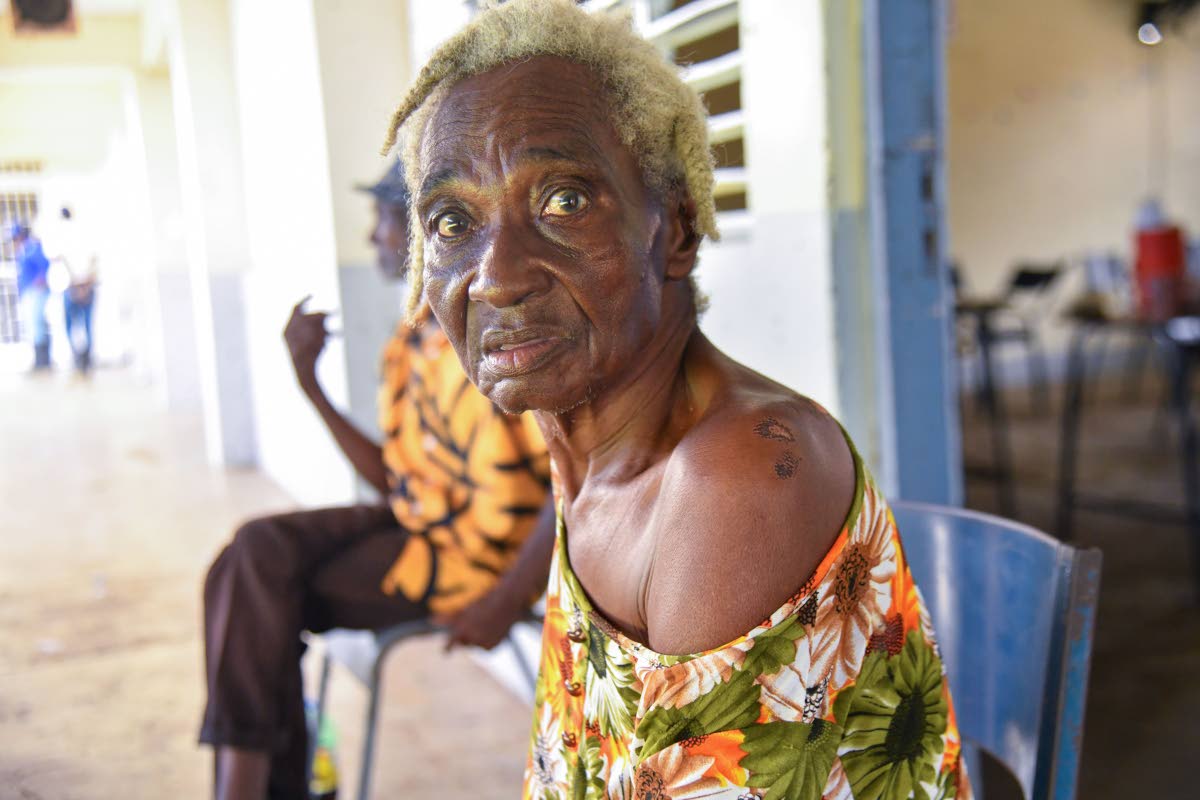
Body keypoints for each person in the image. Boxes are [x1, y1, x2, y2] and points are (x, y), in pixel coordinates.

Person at [382, 2, 971, 798]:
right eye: (453, 219)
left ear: (677, 231)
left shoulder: (738, 475)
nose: (496, 274)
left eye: (563, 201)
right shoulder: (590, 454)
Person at [198, 161, 557, 800]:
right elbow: (394, 479)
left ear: (427, 234)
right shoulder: (416, 333)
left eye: (385, 221)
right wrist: (310, 384)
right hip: (413, 521)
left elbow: (568, 479)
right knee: (251, 559)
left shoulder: (497, 336)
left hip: (465, 560)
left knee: (252, 595)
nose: (374, 239)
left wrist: (507, 599)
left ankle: (247, 790)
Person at [55, 207, 98, 375]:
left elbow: (64, 260)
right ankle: (82, 361)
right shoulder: (84, 235)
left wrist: (78, 285)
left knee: (75, 325)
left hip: (75, 286)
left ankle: (82, 361)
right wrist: (84, 285)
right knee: (82, 325)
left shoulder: (66, 236)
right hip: (80, 286)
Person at [9, 221, 52, 371]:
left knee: (38, 325)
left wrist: (40, 282)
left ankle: (43, 362)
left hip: (36, 292)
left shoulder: (32, 248)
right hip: (28, 293)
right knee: (33, 327)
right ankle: (39, 361)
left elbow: (44, 266)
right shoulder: (23, 251)